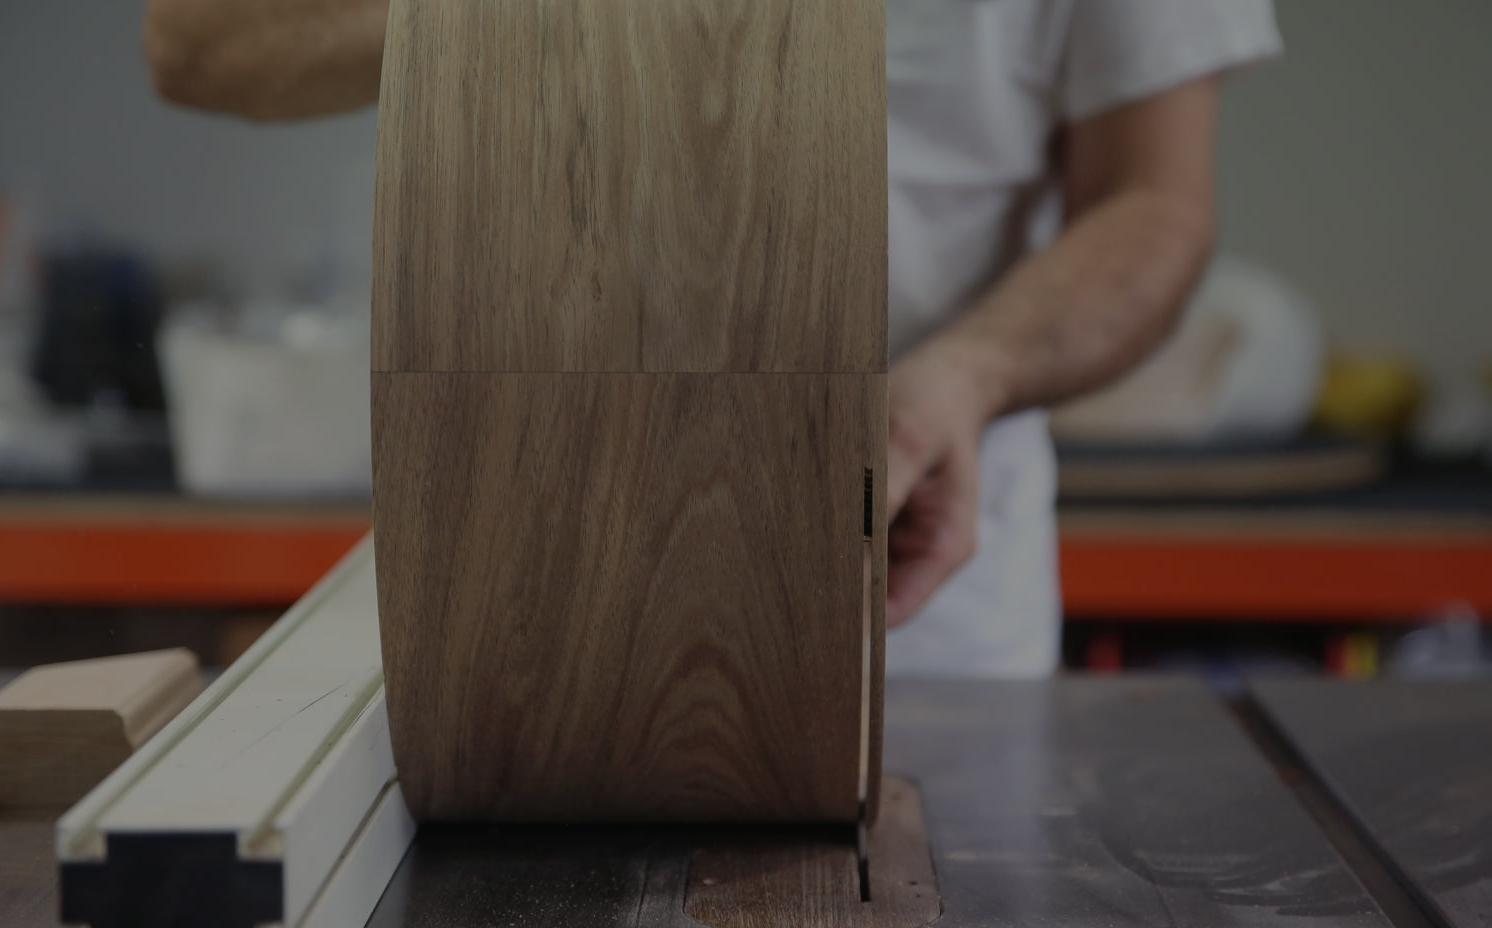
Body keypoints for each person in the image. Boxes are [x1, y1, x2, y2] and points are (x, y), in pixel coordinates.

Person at [145, 0, 1280, 678]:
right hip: (513, 592)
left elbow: (1155, 202)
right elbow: (200, 37)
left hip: (912, 609)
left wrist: (965, 378)